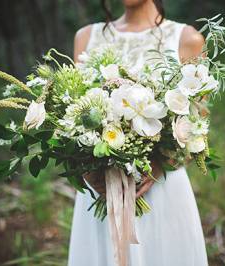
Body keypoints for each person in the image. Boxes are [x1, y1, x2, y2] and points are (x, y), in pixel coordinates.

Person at [69, 0, 208, 265]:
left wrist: (157, 167)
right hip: (99, 191)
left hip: (160, 193)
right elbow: (72, 114)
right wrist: (87, 170)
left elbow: (196, 131)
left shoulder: (187, 39)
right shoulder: (86, 37)